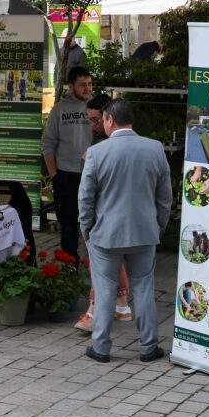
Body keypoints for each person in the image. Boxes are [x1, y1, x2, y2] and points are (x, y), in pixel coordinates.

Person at [79, 98, 172, 363]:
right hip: (144, 232)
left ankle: (101, 348)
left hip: (105, 235)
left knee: (105, 288)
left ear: (109, 120)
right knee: (143, 288)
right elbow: (165, 197)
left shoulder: (97, 152)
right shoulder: (155, 148)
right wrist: (157, 227)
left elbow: (85, 198)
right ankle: (148, 347)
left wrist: (87, 229)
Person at [75, 93, 132, 334]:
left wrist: (86, 225)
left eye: (96, 120)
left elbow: (88, 194)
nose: (93, 125)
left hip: (107, 216)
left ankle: (95, 309)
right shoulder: (104, 146)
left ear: (109, 119)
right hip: (122, 216)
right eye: (90, 120)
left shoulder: (102, 149)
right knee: (111, 259)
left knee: (99, 262)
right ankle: (121, 305)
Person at [42, 66, 93, 262]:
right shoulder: (59, 110)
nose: (87, 89)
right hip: (66, 175)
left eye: (89, 84)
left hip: (93, 174)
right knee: (68, 225)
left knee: (97, 223)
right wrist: (54, 176)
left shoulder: (98, 107)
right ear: (70, 86)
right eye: (82, 85)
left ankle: (98, 266)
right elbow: (47, 144)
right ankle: (70, 266)